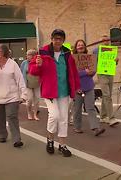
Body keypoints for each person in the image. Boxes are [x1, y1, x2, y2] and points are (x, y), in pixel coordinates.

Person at [29, 29, 80, 157]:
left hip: (64, 91)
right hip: (50, 91)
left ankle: (62, 145)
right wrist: (38, 64)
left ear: (63, 40)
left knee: (63, 118)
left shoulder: (67, 54)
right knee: (55, 115)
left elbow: (73, 72)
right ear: (51, 39)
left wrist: (77, 87)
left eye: (60, 39)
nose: (58, 41)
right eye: (55, 38)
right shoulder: (43, 52)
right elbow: (32, 71)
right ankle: (50, 140)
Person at [0, 44, 27, 148]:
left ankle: (16, 139)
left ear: (3, 52)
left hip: (12, 97)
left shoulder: (13, 64)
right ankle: (2, 135)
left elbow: (20, 79)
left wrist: (23, 94)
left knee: (12, 117)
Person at [72, 39, 105, 136]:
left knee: (90, 107)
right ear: (76, 47)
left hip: (89, 87)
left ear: (85, 47)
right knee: (77, 108)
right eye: (78, 45)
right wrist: (84, 72)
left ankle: (96, 128)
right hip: (77, 88)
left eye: (82, 45)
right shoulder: (72, 59)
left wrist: (88, 72)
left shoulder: (90, 58)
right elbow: (72, 74)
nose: (80, 46)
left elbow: (92, 71)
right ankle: (77, 127)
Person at [93, 35, 119, 126]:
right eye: (104, 40)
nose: (106, 41)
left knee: (106, 95)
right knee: (107, 95)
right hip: (102, 74)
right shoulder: (96, 50)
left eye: (107, 40)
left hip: (110, 74)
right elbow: (93, 62)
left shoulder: (112, 50)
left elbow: (114, 63)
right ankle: (111, 118)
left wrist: (116, 61)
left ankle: (102, 116)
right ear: (100, 42)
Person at [20, 49, 40, 121]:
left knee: (37, 100)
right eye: (27, 55)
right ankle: (29, 112)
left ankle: (35, 114)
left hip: (37, 84)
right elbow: (21, 73)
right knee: (29, 99)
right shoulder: (24, 63)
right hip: (27, 84)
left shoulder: (37, 62)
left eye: (30, 55)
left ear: (34, 56)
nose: (28, 56)